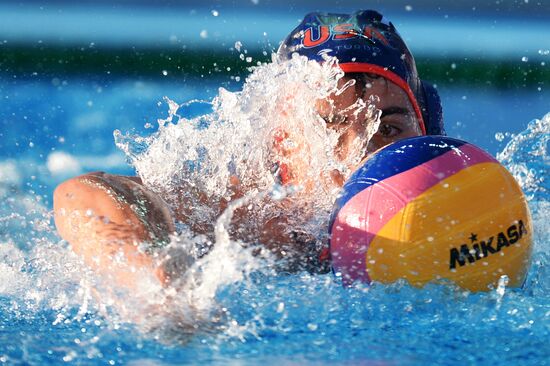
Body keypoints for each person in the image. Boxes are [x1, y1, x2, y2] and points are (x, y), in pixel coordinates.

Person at [53, 10, 445, 290]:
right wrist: (156, 274)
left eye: (389, 128)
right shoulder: (249, 223)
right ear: (284, 144)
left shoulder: (463, 205)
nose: (358, 155)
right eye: (327, 128)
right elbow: (86, 195)